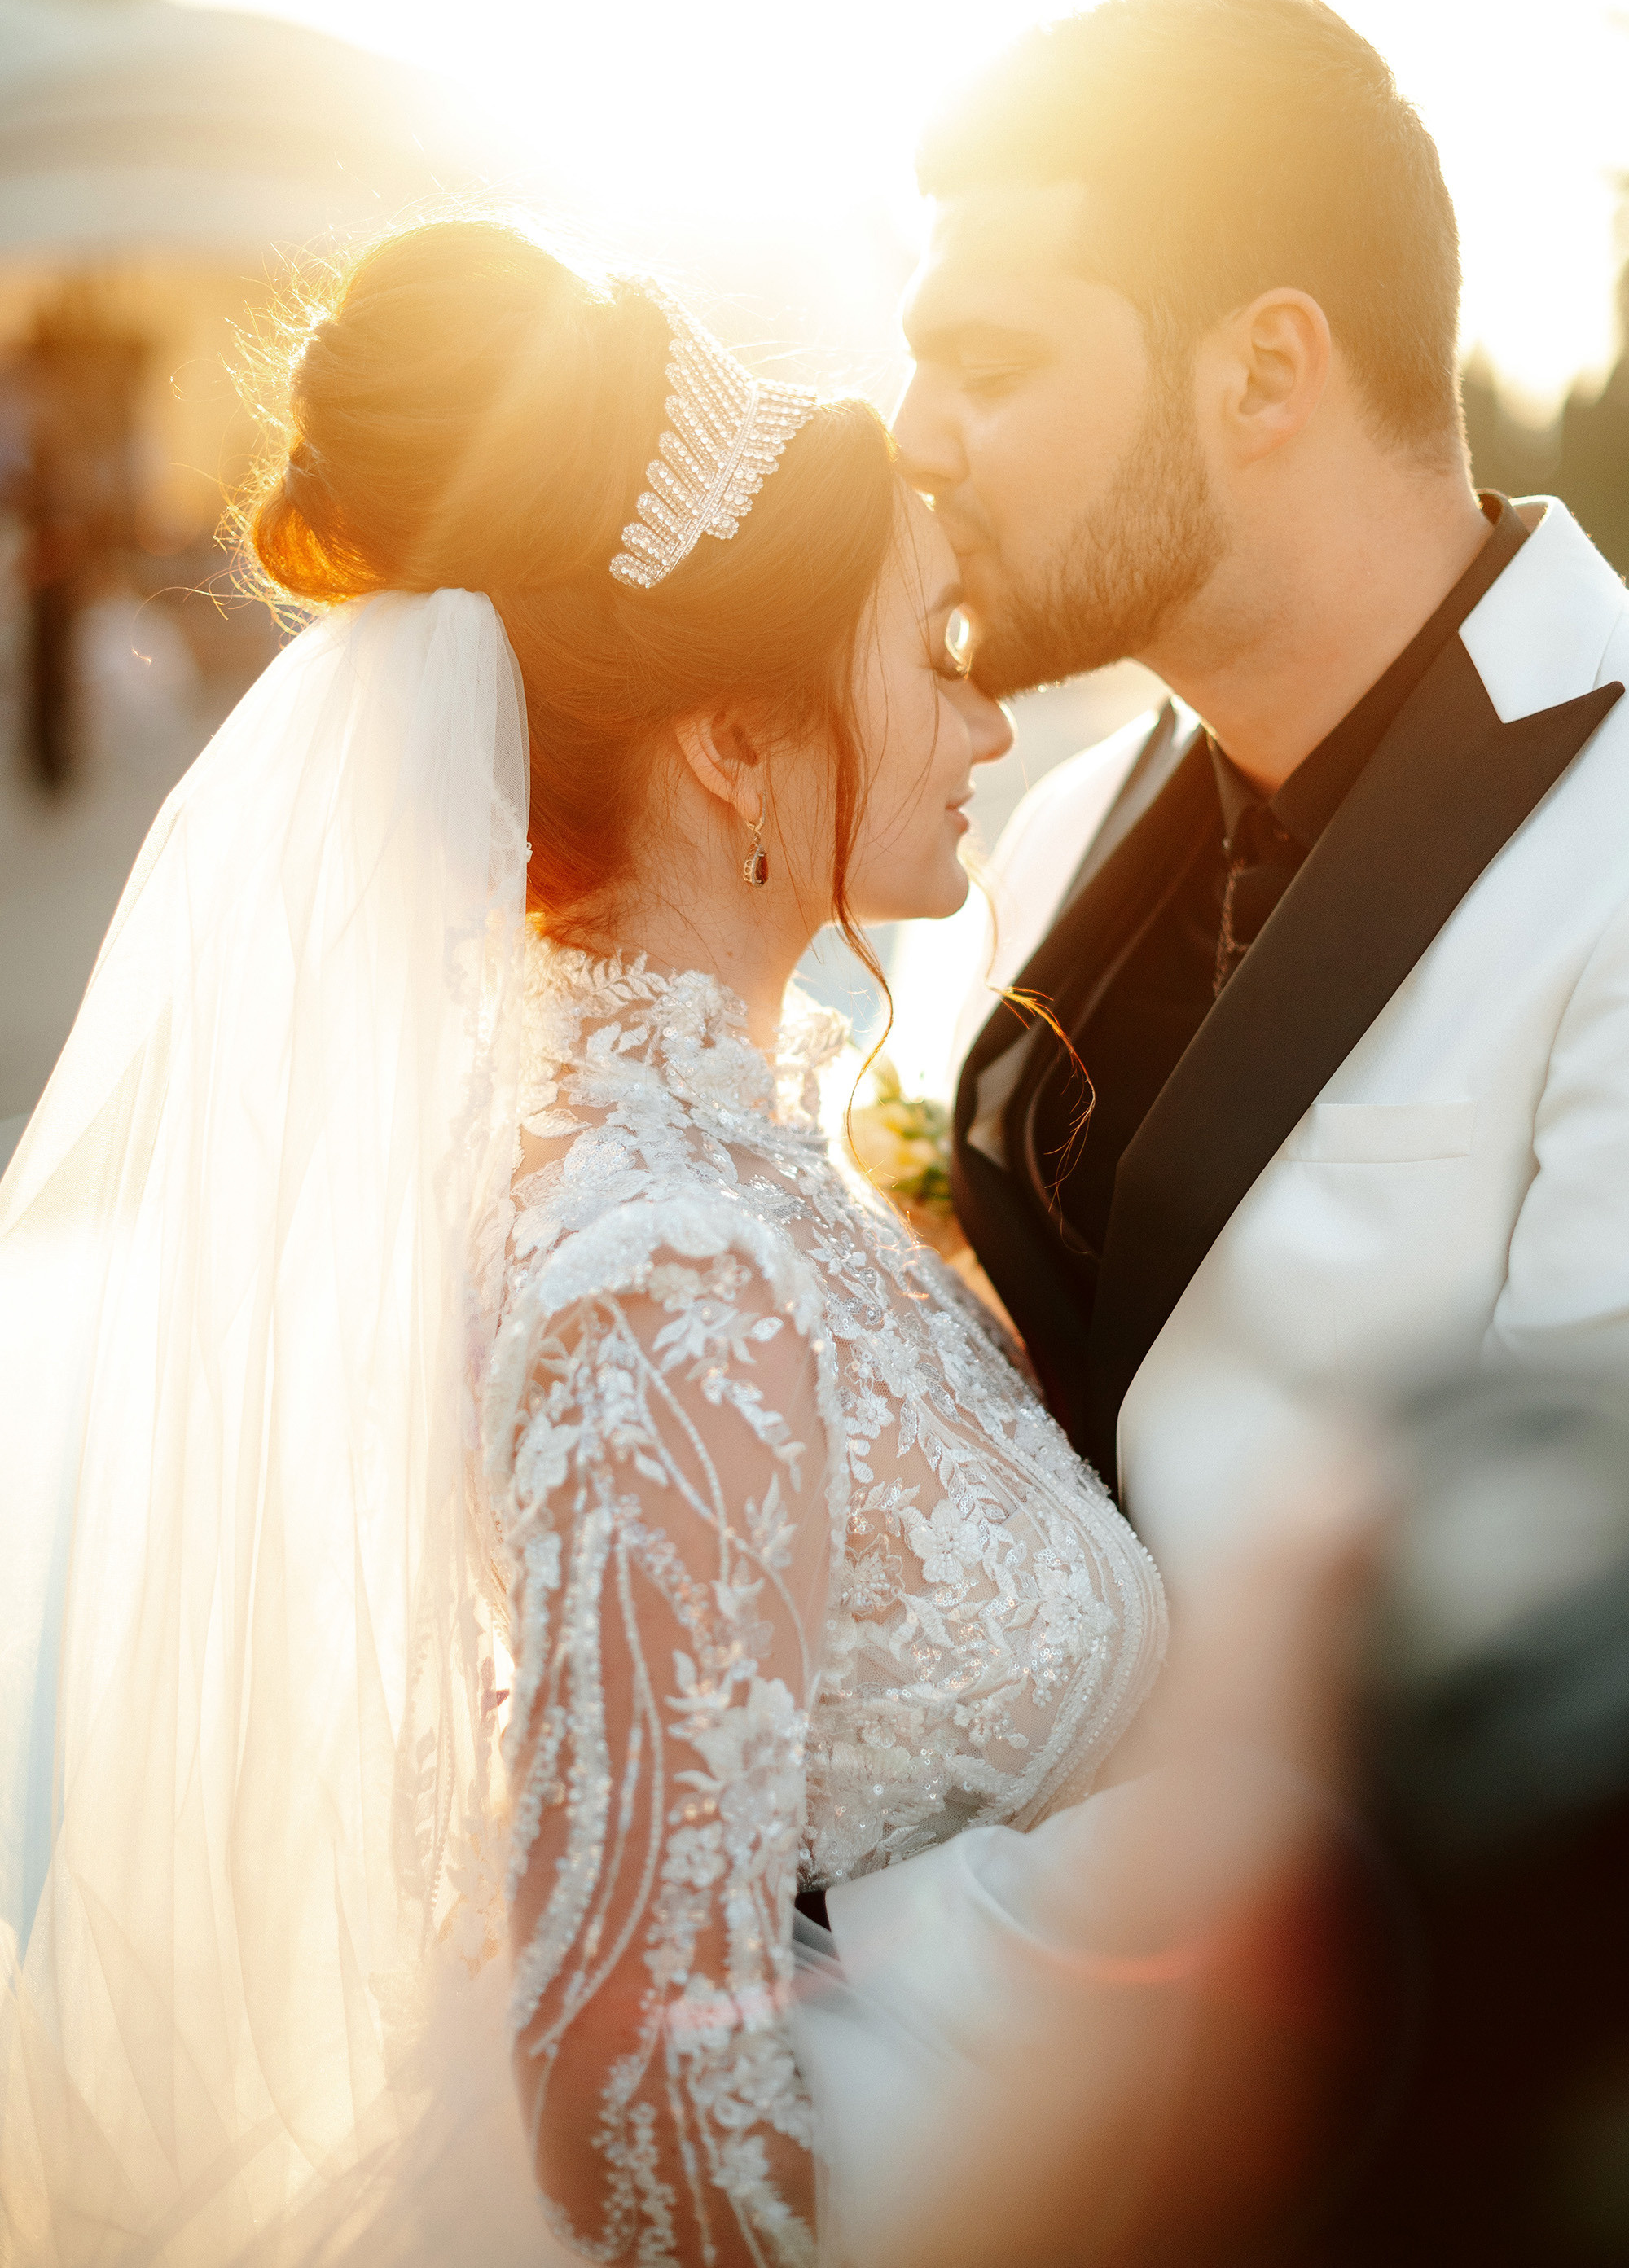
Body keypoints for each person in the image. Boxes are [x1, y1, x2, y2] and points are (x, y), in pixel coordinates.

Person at [0, 223, 1184, 2266]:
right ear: (733, 745)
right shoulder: (664, 1273)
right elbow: (631, 2085)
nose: (985, 733)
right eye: (936, 662)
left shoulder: (707, 1165)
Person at [894, 0, 1629, 1579]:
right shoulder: (1059, 831)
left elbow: (1538, 1671)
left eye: (990, 367)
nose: (915, 439)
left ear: (1261, 375)